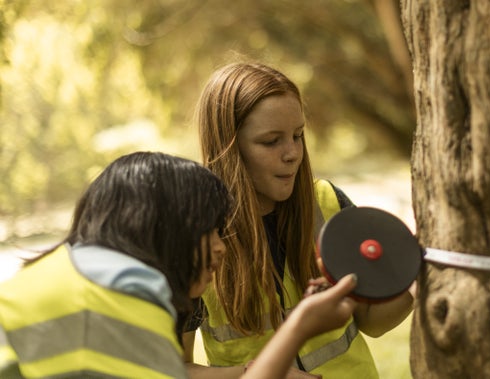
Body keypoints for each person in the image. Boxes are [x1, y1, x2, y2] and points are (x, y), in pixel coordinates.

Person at [0, 151, 360, 379]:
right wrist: (298, 327)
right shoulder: (117, 295)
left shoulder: (75, 274)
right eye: (211, 230)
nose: (221, 247)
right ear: (167, 227)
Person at [185, 62, 415, 378]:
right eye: (271, 141)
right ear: (228, 148)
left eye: (298, 135)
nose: (293, 152)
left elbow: (373, 322)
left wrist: (412, 275)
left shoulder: (328, 204)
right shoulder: (191, 239)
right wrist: (256, 373)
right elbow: (174, 369)